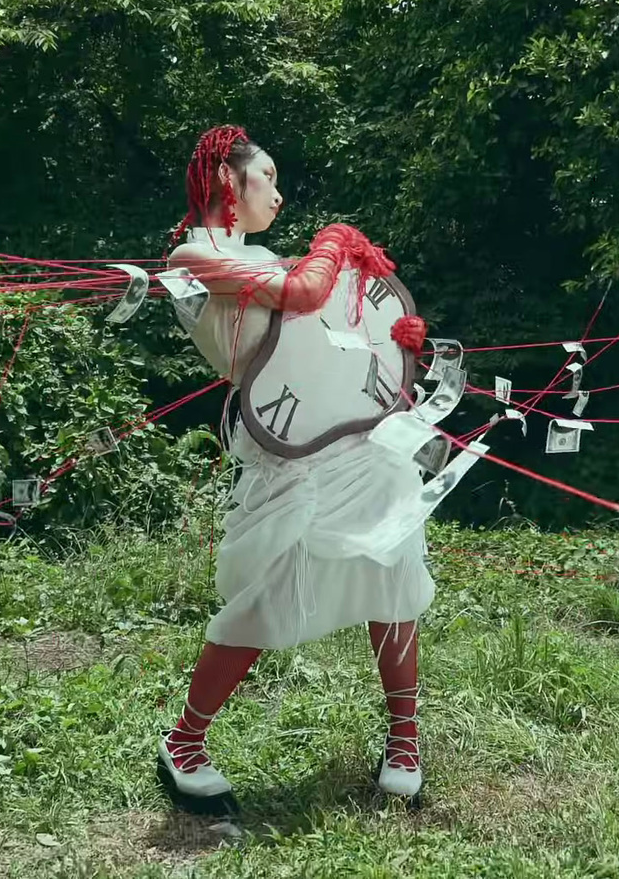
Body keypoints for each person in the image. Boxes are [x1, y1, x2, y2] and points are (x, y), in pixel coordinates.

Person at [156, 124, 436, 815]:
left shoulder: (255, 254)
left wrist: (393, 342)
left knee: (392, 572)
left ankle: (405, 741)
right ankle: (184, 743)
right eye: (268, 179)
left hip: (359, 443)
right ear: (230, 183)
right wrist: (337, 239)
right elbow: (304, 294)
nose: (278, 195)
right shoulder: (191, 256)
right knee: (268, 596)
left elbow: (325, 334)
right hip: (292, 459)